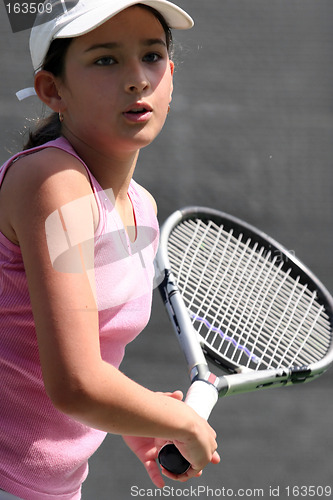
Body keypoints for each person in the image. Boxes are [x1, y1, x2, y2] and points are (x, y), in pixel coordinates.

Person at [0, 1, 220, 498]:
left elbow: (86, 351)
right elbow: (76, 383)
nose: (137, 79)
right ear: (52, 90)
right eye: (105, 59)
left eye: (152, 55)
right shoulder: (52, 182)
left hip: (52, 485)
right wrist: (177, 418)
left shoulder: (142, 207)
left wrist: (133, 418)